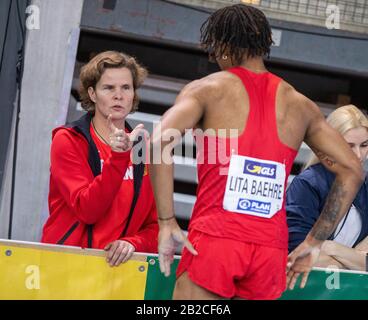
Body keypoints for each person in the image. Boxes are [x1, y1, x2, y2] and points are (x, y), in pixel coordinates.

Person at [149, 4, 364, 300]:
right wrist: (315, 242)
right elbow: (352, 168)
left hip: (216, 238)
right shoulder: (300, 104)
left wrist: (166, 222)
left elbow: (159, 141)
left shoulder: (208, 89)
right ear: (264, 45)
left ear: (223, 46)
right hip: (268, 250)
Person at [42, 51, 158, 267]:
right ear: (92, 94)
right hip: (66, 268)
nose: (119, 95)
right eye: (108, 88)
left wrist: (133, 243)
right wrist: (119, 157)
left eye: (126, 87)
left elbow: (156, 227)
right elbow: (88, 210)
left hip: (119, 275)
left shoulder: (143, 148)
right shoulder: (68, 140)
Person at [287, 105, 368, 271]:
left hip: (351, 291)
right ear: (329, 144)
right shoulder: (307, 184)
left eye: (364, 145)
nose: (358, 155)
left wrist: (332, 248)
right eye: (349, 145)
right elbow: (298, 255)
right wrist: (354, 259)